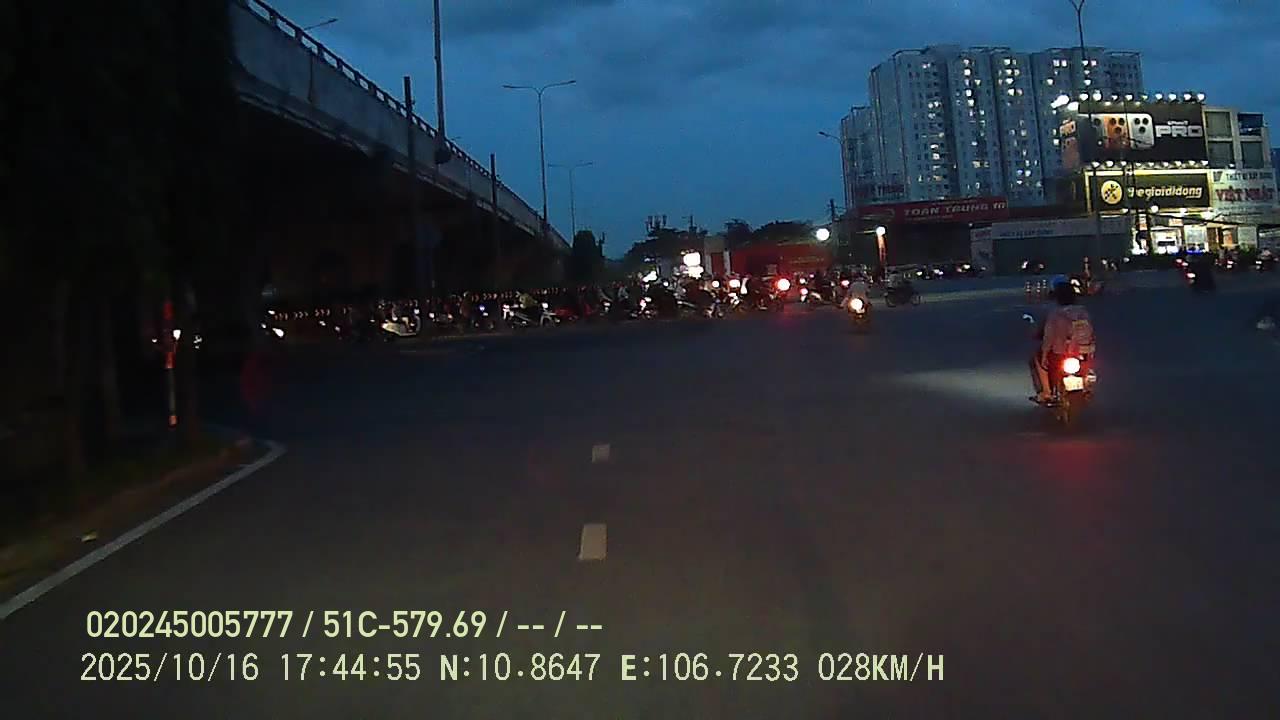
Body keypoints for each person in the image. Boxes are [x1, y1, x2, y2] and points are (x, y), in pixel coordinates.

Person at [1030, 276, 1096, 404]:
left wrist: (1044, 355)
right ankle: (1087, 383)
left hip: (1060, 351)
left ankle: (1047, 392)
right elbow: (1091, 332)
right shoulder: (1083, 312)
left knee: (1037, 358)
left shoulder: (1055, 314)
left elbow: (1048, 338)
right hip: (1084, 350)